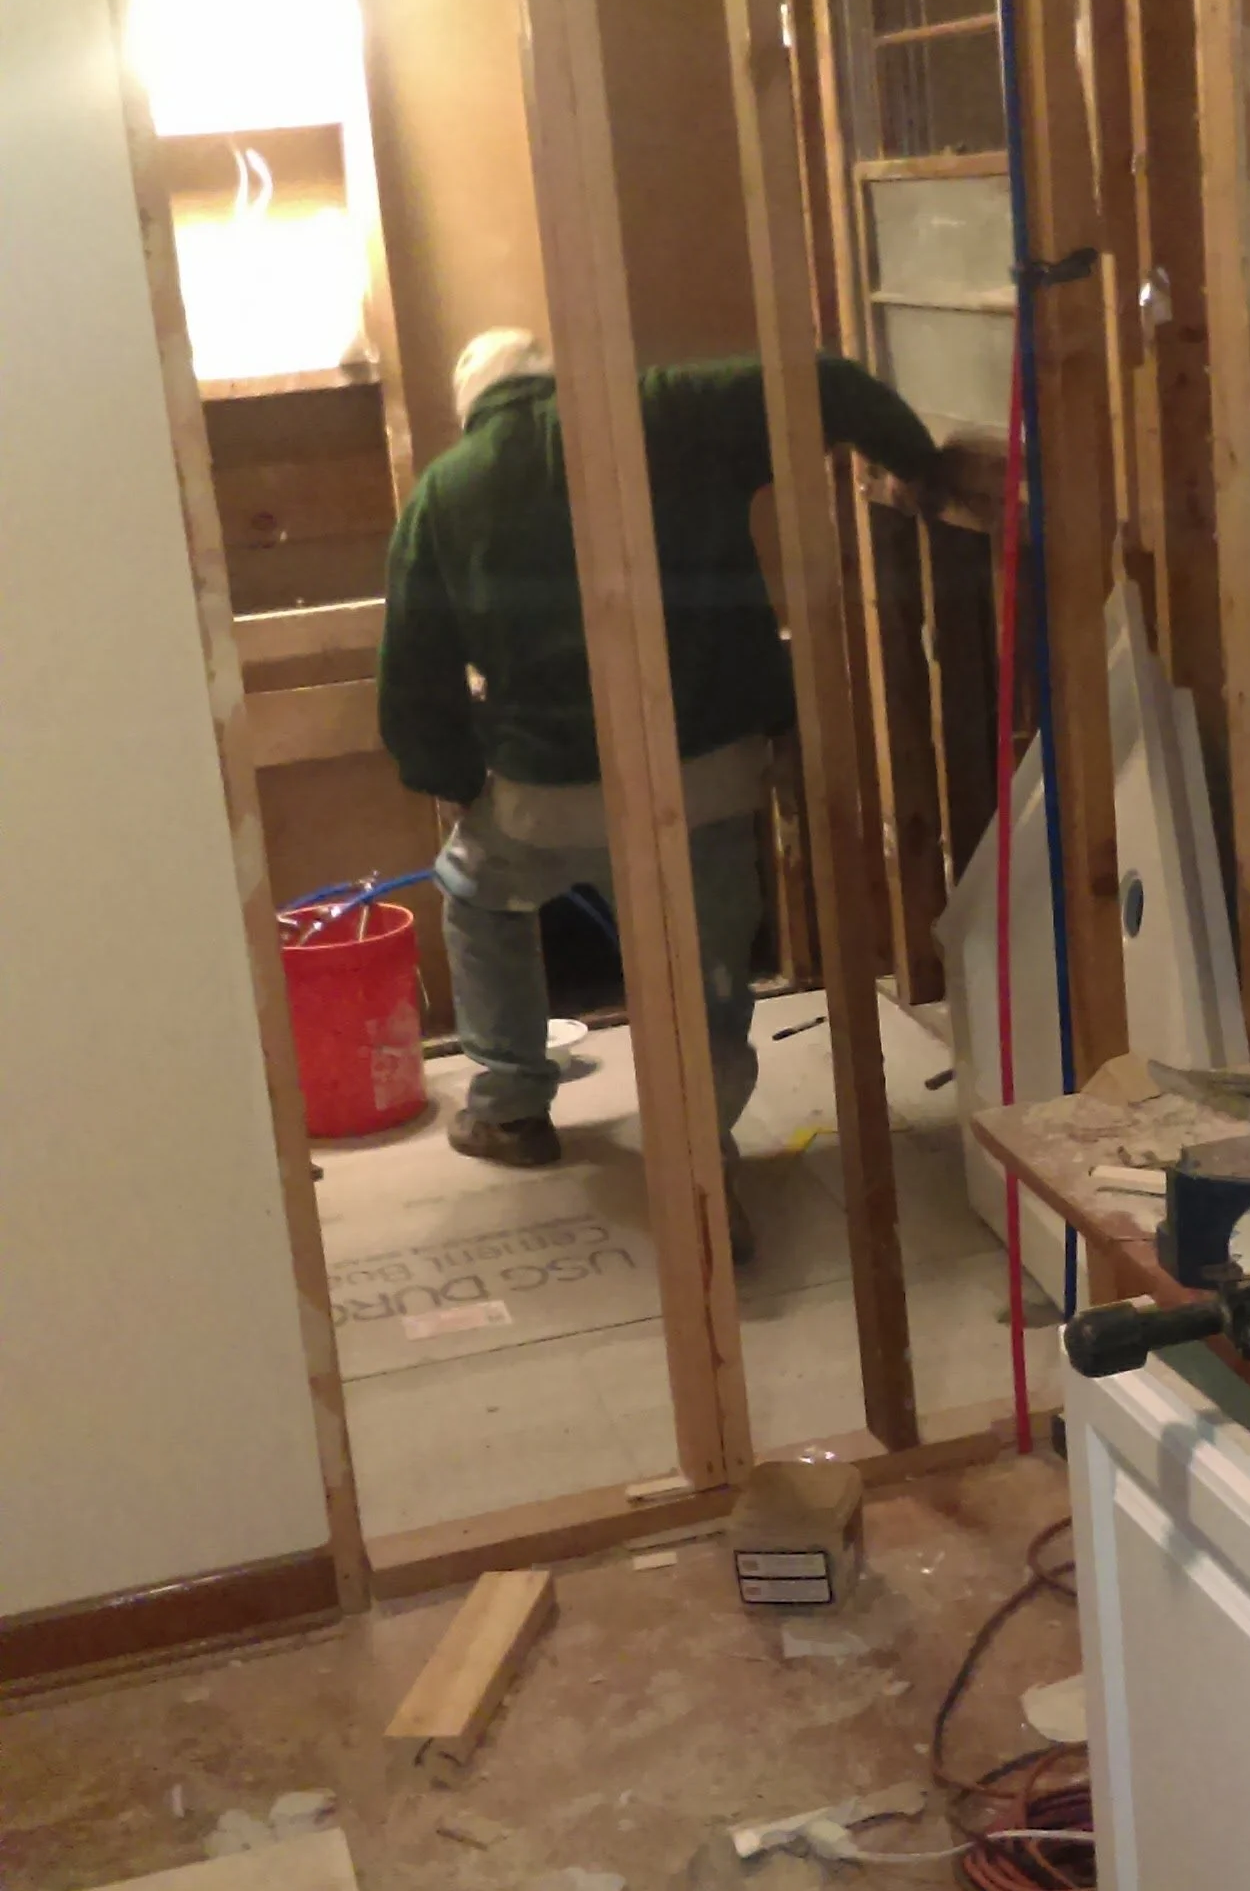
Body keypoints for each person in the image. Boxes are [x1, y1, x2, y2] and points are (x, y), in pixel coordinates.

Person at [378, 329, 956, 1257]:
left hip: (544, 792)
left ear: (473, 405)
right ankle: (701, 1174)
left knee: (478, 893)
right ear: (560, 371)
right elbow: (830, 382)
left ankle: (510, 1106)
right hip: (706, 777)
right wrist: (918, 468)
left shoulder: (443, 493)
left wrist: (450, 779)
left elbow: (414, 674)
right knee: (703, 982)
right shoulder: (673, 409)